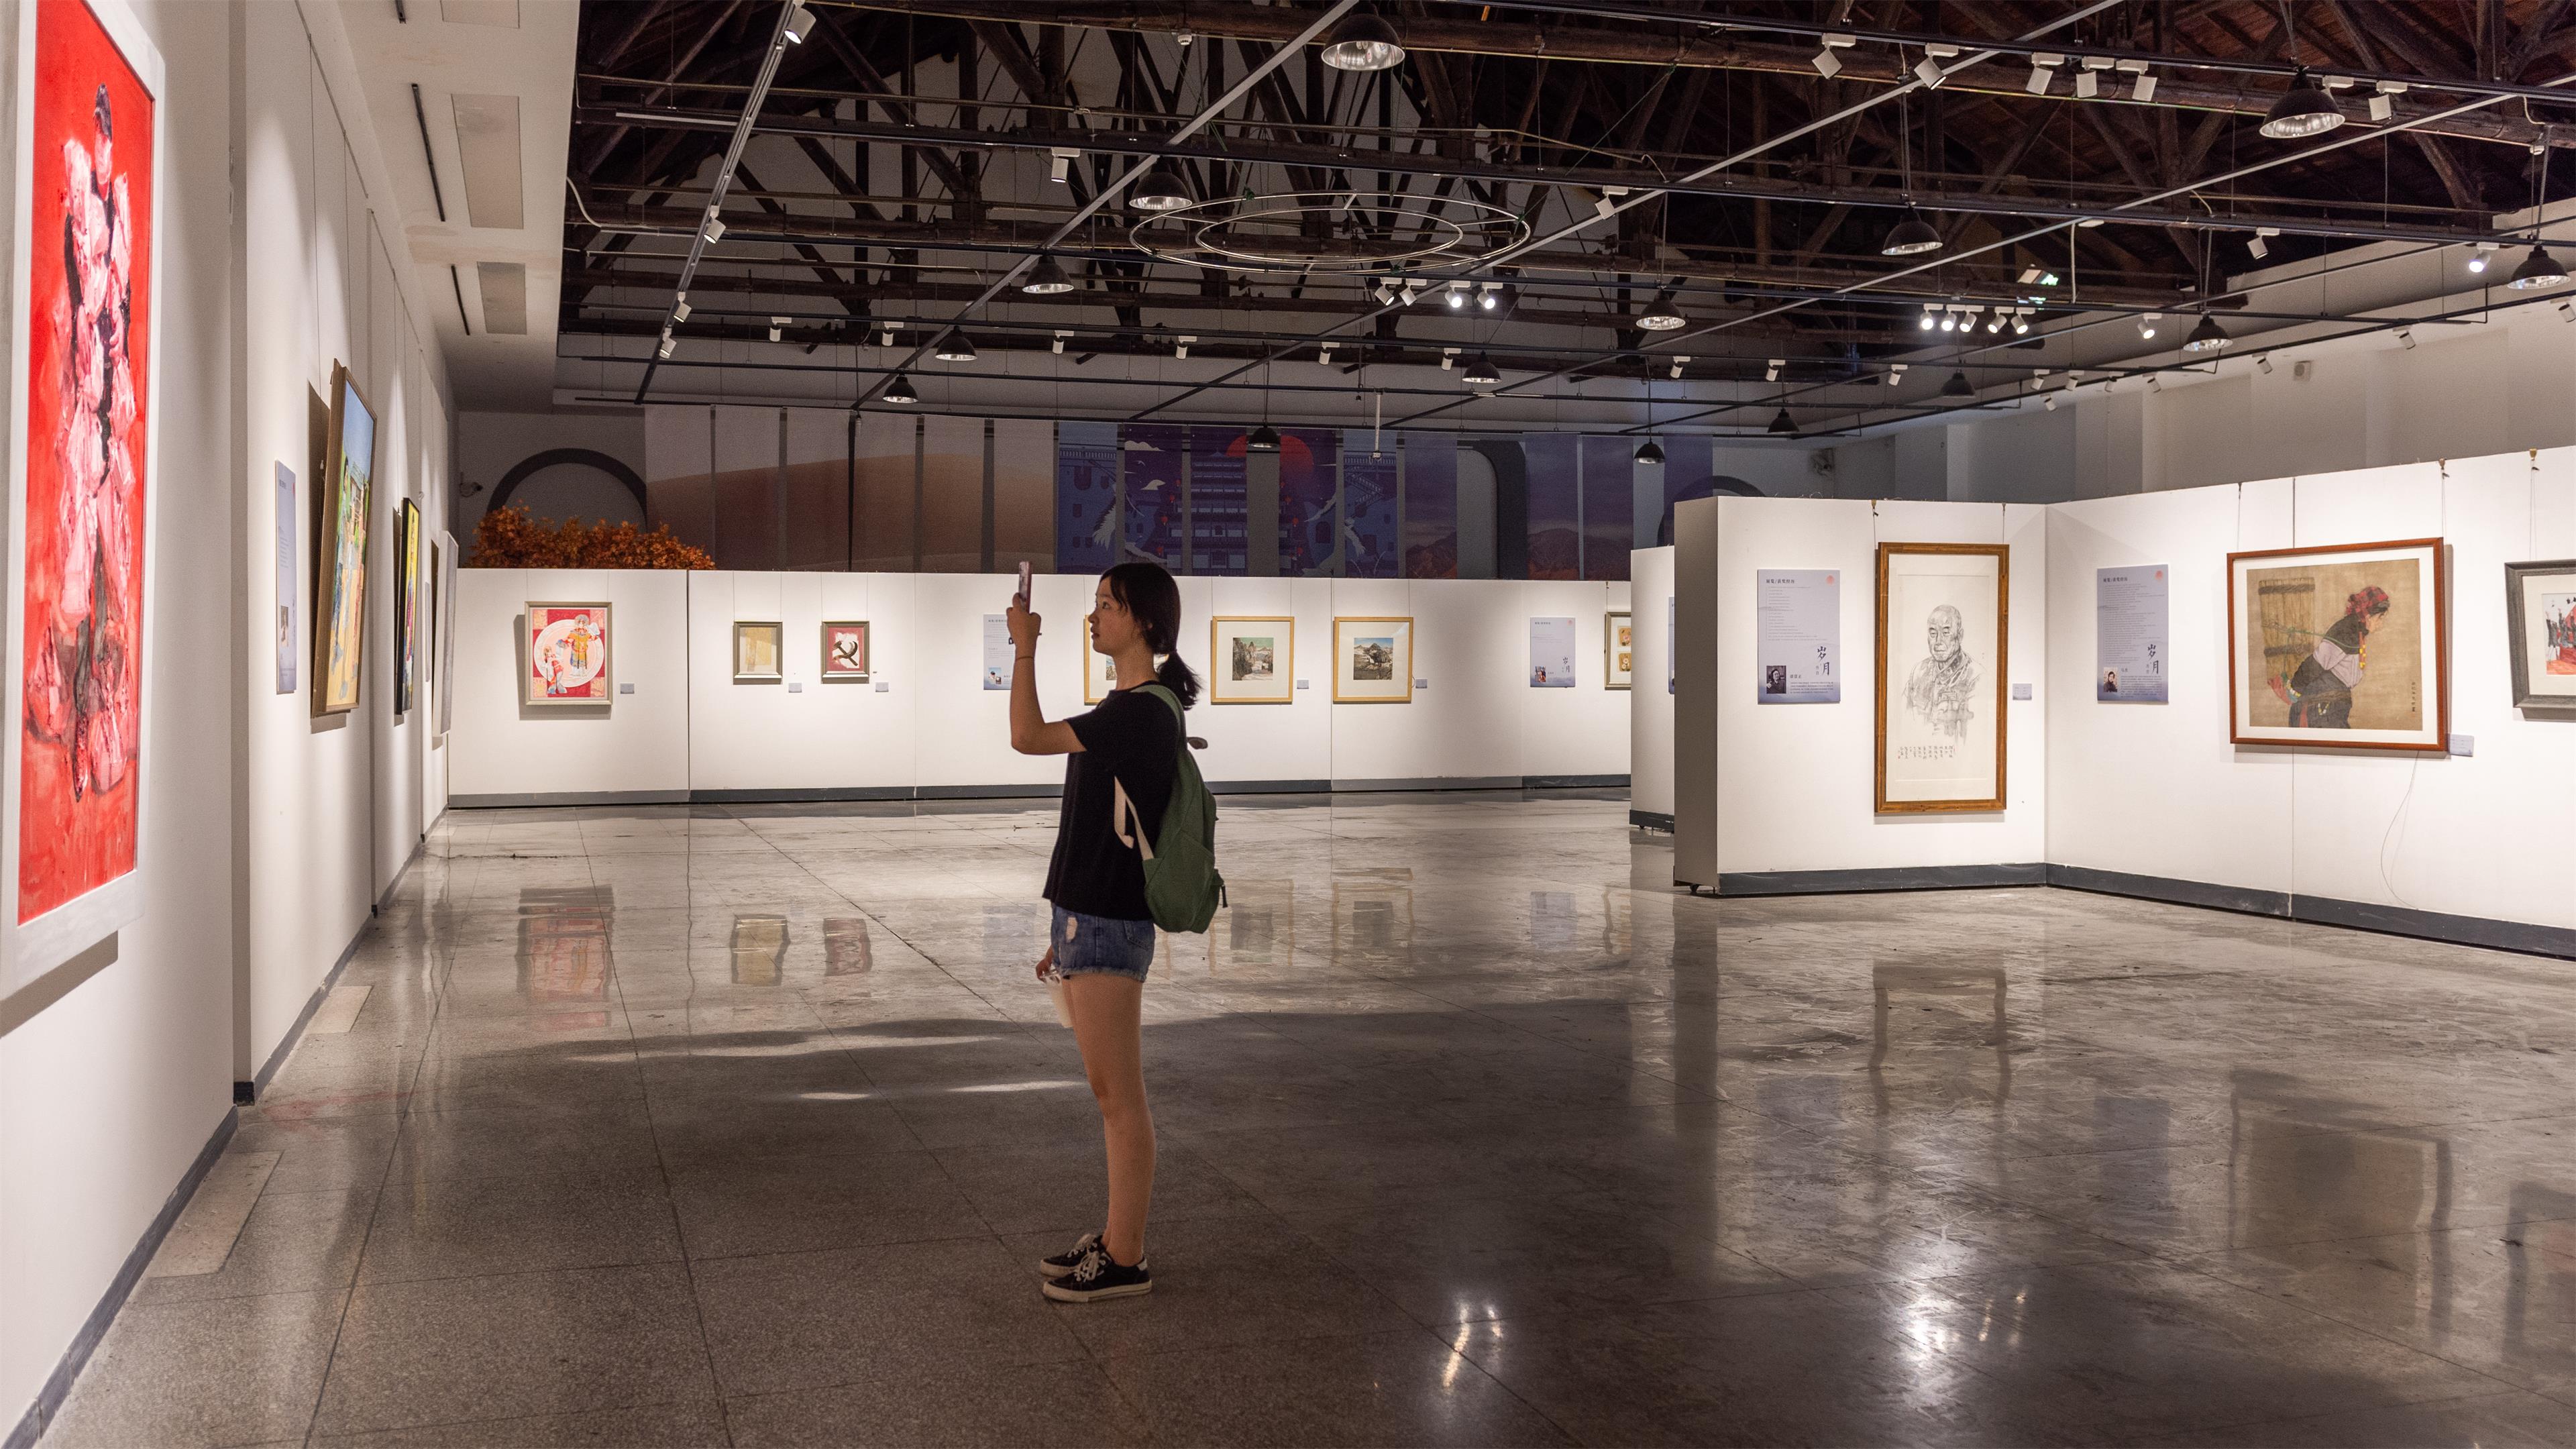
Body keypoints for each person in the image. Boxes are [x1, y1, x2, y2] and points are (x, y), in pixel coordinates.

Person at [1005, 561, 1197, 1304]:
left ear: (1145, 622)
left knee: (1121, 1097)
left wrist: (1023, 648)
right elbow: (1095, 830)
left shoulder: (1141, 712)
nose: (1095, 617)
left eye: (1108, 605)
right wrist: (1065, 925)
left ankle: (1127, 1257)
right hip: (1090, 919)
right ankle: (1116, 1239)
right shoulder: (1124, 707)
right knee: (1106, 1090)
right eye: (1095, 604)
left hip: (1112, 922)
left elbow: (1025, 735)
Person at [2282, 585, 2390, 728]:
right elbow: (2316, 663)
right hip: (2322, 704)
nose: (2381, 625)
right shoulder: (2346, 631)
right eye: (2380, 618)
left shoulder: (2357, 630)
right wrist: (2295, 689)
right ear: (2369, 616)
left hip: (2335, 701)